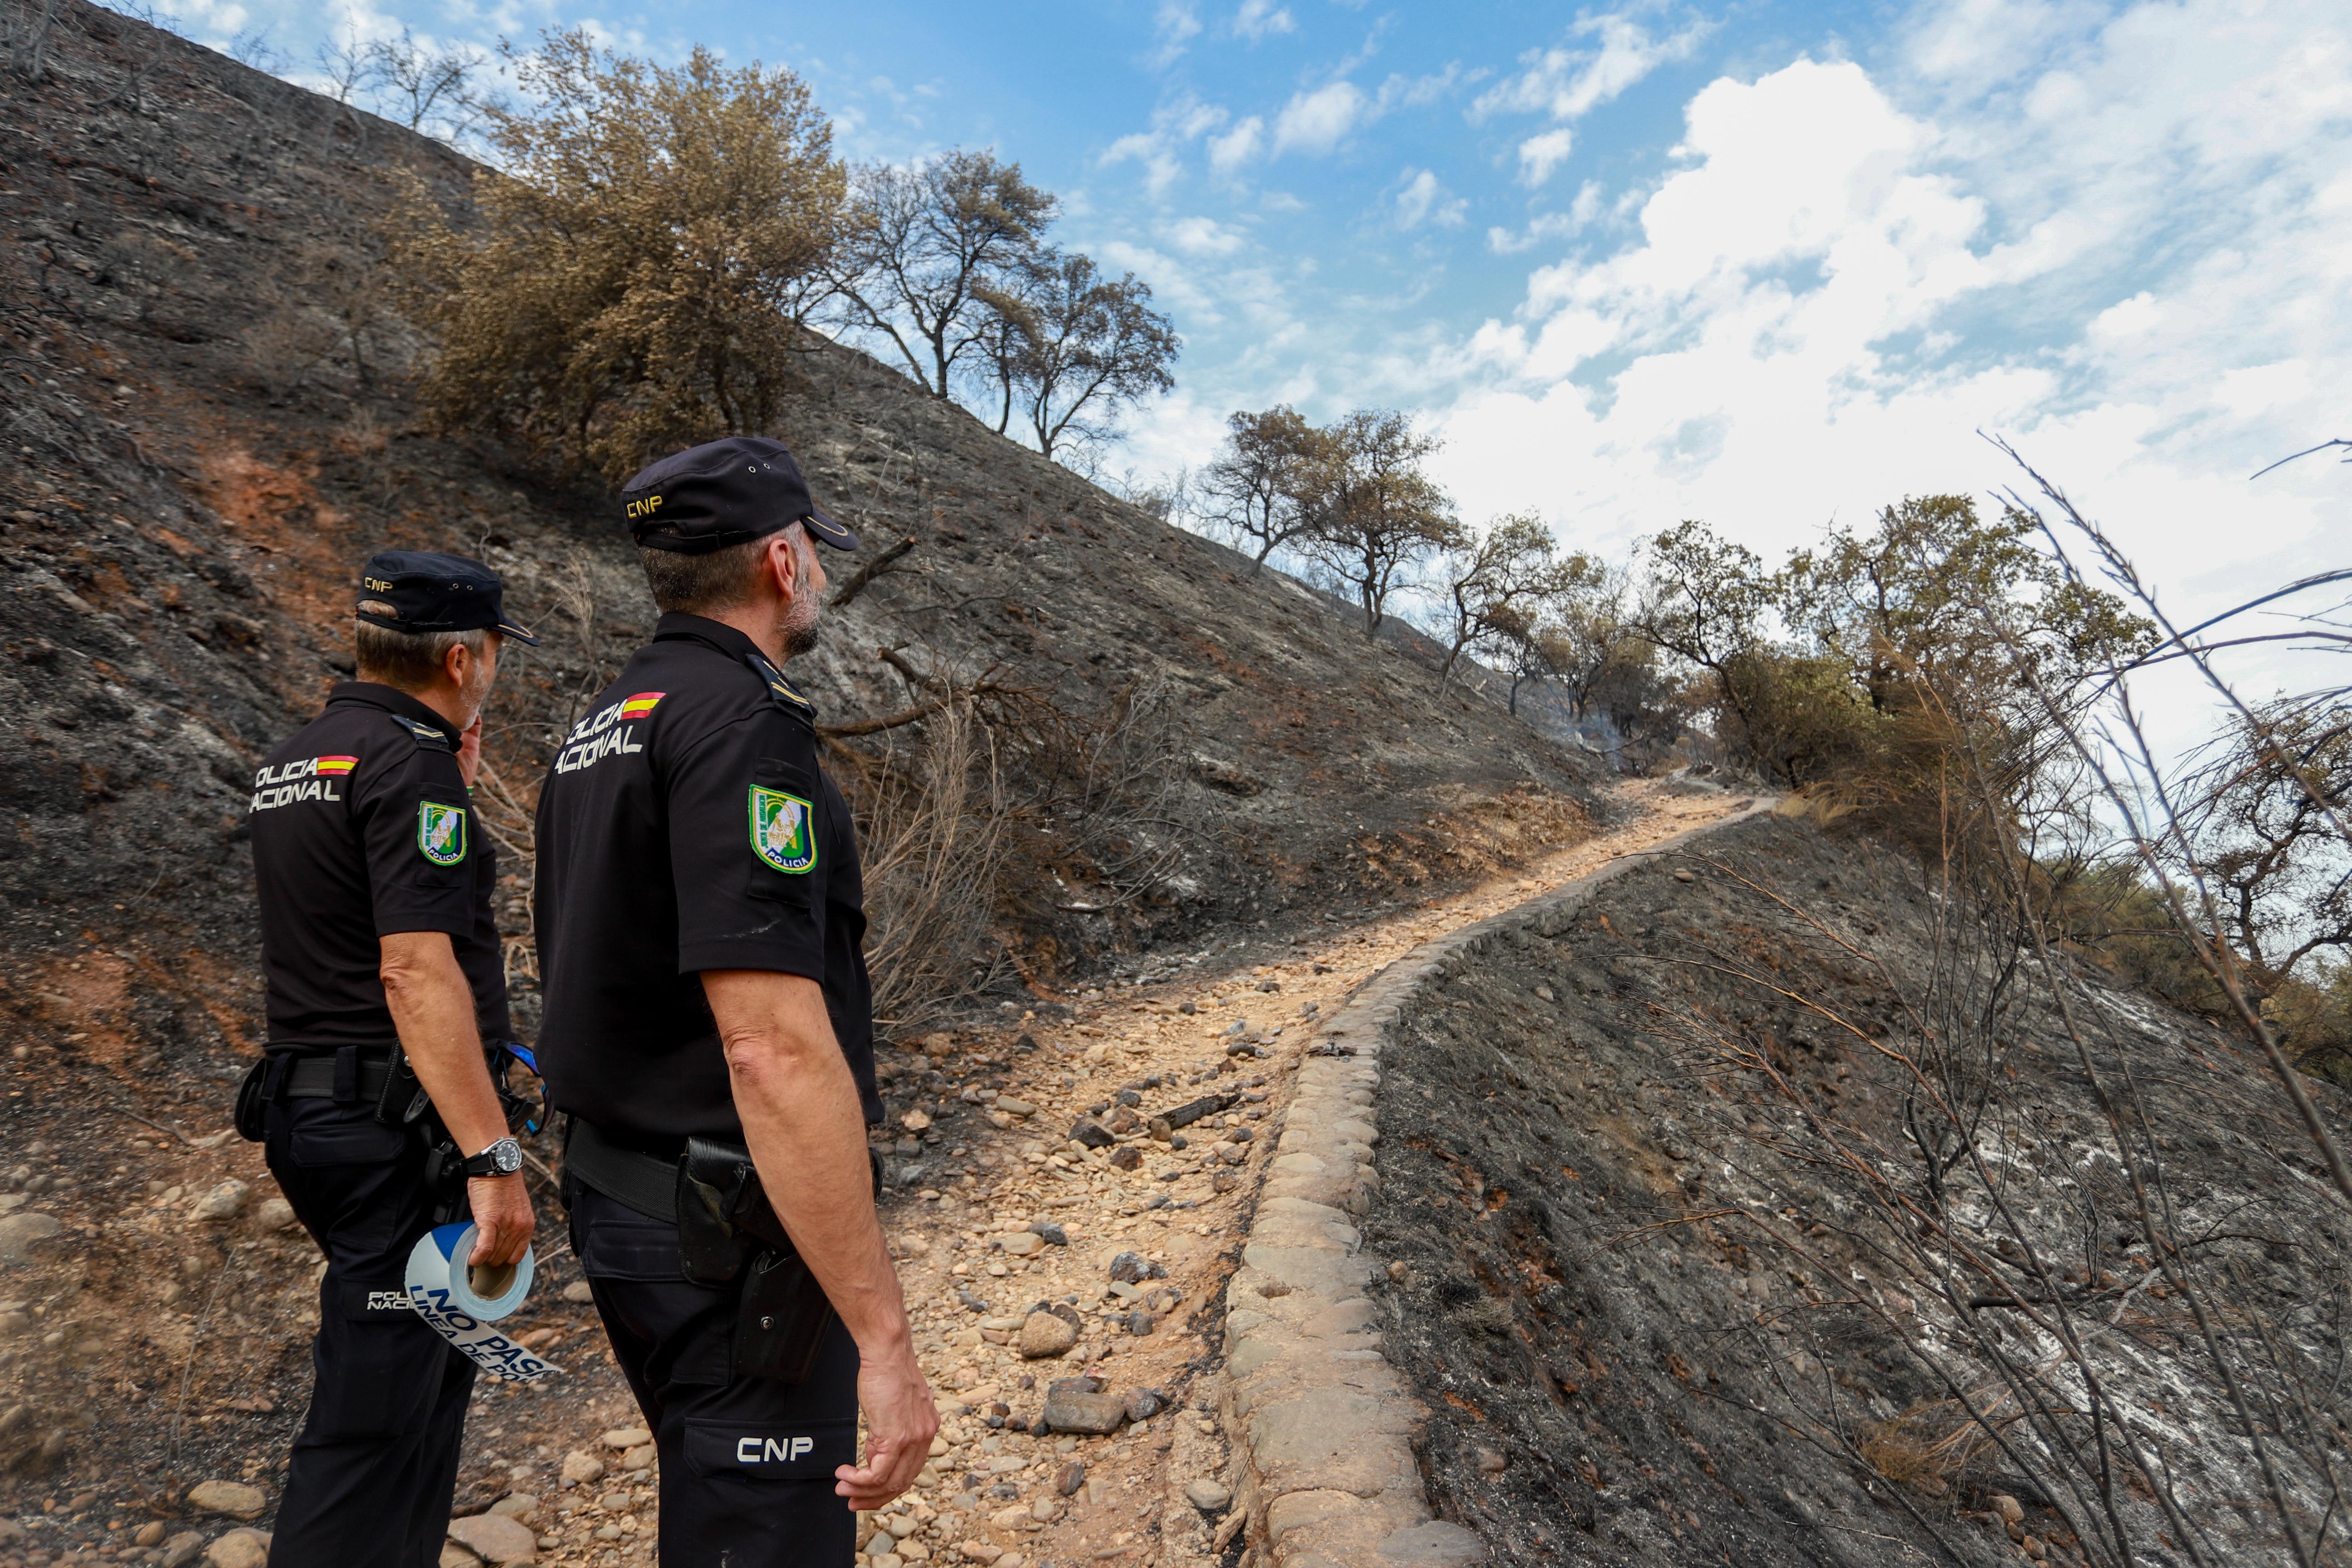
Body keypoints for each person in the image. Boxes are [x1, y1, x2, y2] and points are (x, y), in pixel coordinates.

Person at [534, 435, 937, 1564]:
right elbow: (770, 1048)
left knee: (711, 1514)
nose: (816, 572)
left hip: (621, 1202)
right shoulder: (744, 726)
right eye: (812, 550)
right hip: (720, 1239)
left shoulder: (601, 724)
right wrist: (885, 1340)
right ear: (778, 561)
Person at [242, 552, 540, 1568]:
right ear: (462, 657)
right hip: (392, 1136)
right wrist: (492, 1160)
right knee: (370, 1427)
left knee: (423, 1392)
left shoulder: (304, 755)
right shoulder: (408, 764)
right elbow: (414, 972)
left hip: (316, 1111)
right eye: (496, 651)